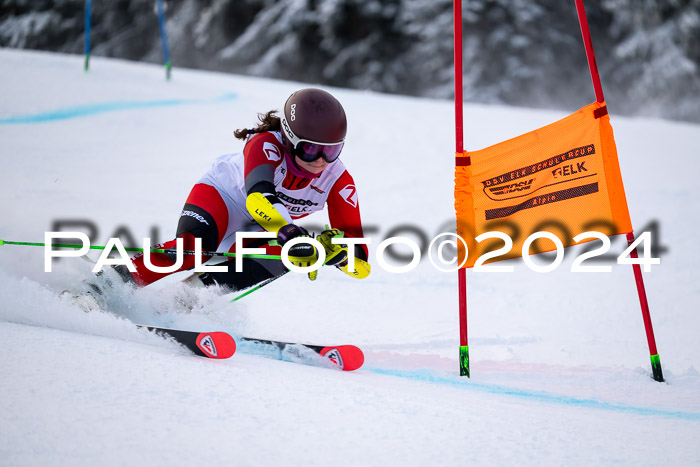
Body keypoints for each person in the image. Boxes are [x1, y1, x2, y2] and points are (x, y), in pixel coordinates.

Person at [111, 88, 369, 291]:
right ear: (289, 138)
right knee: (194, 248)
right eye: (310, 149)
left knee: (288, 256)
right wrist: (290, 232)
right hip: (222, 199)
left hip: (260, 228)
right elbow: (259, 198)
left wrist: (338, 254)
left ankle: (186, 299)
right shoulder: (265, 143)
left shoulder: (338, 181)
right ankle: (103, 284)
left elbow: (362, 265)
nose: (321, 159)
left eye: (332, 150)